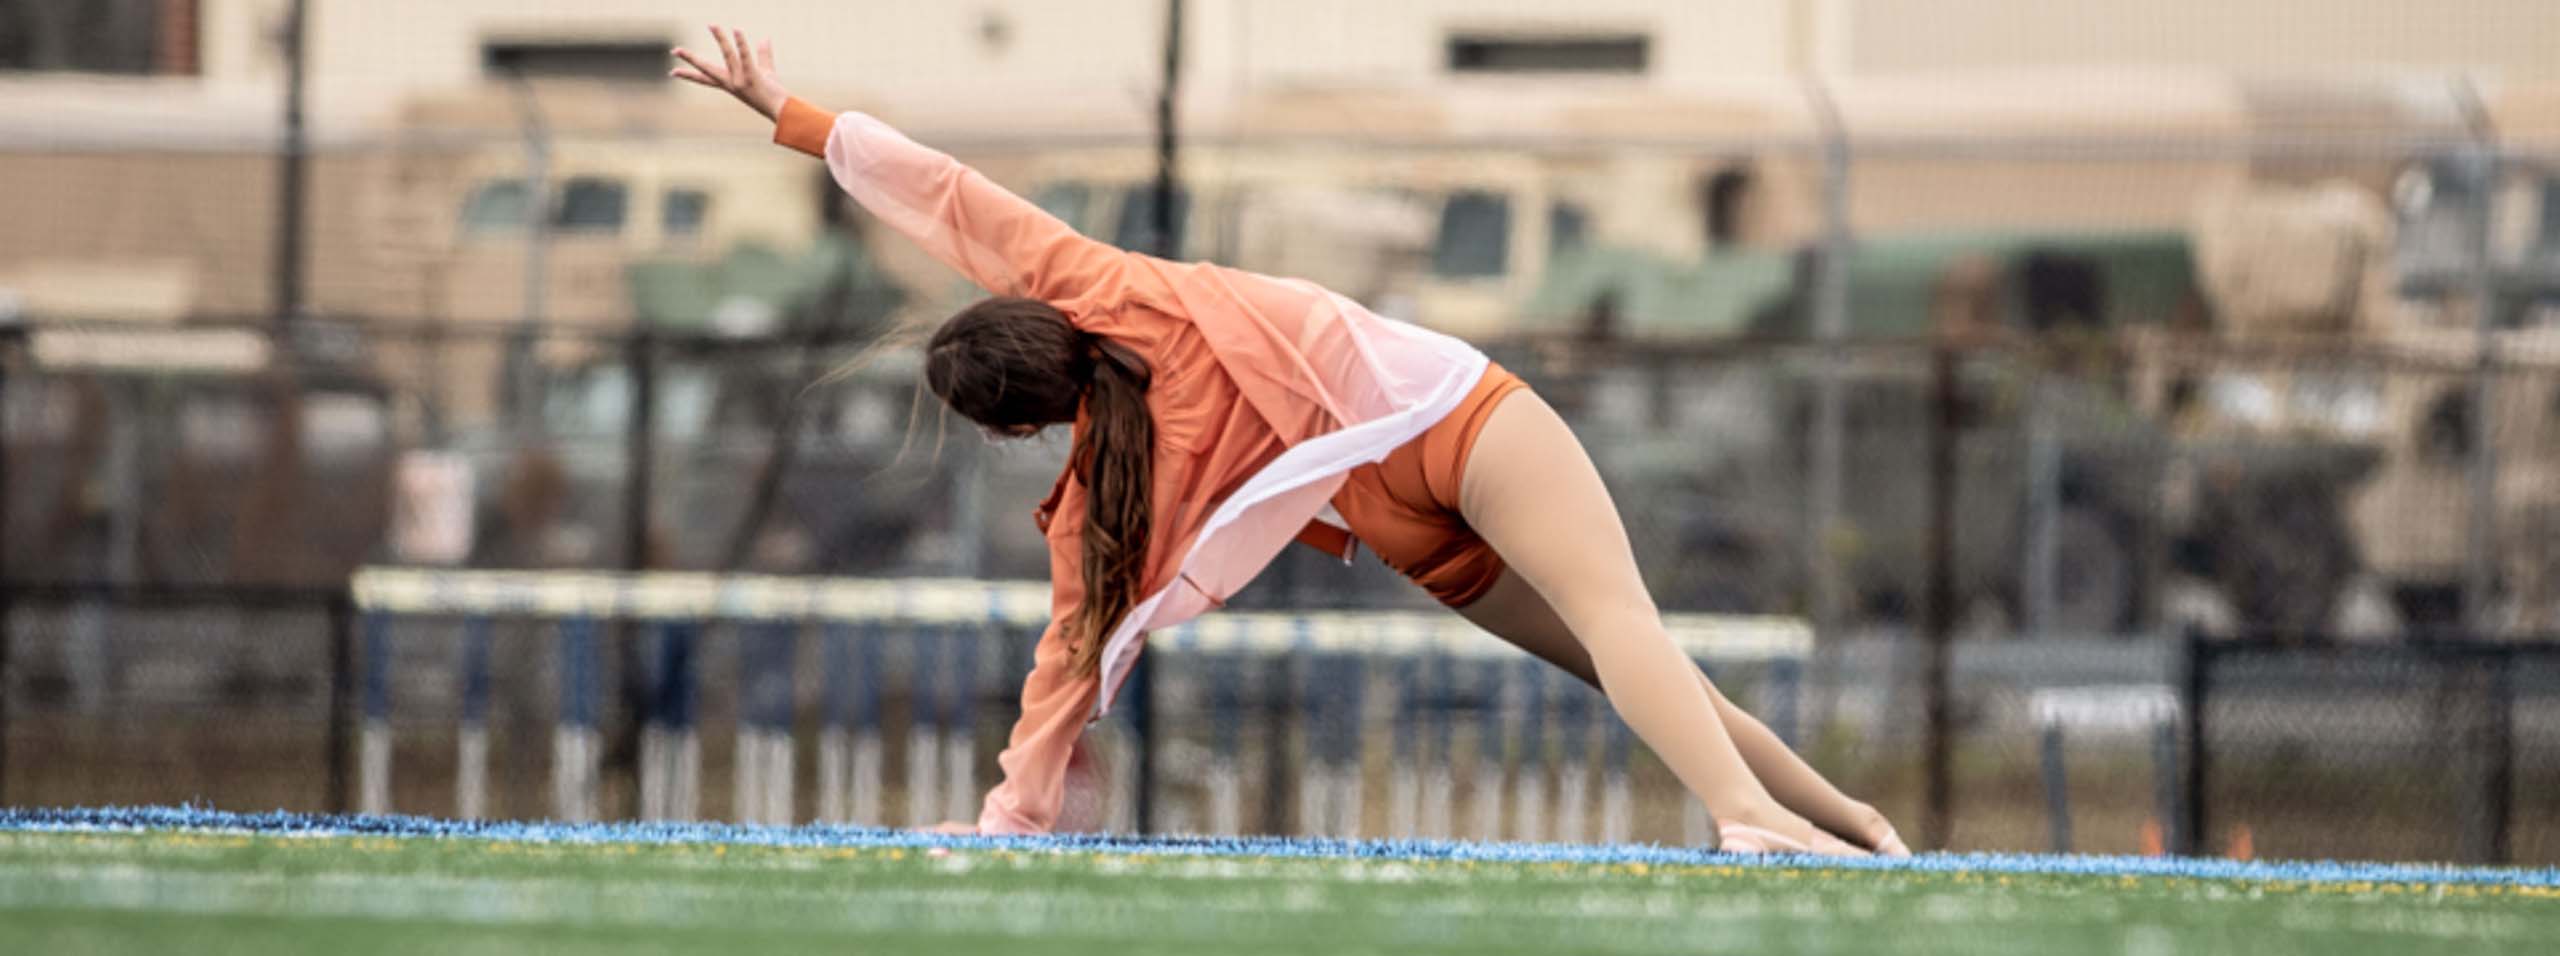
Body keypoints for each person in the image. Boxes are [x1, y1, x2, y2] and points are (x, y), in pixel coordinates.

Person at [672, 26, 1906, 857]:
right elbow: (943, 192)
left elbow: (1068, 658)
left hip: (1395, 518)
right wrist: (783, 108)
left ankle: (1848, 821)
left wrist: (1011, 819)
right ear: (1033, 316)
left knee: (1618, 660)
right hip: (1453, 422)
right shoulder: (1094, 278)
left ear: (1030, 422)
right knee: (1626, 626)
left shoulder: (1113, 492)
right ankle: (1749, 814)